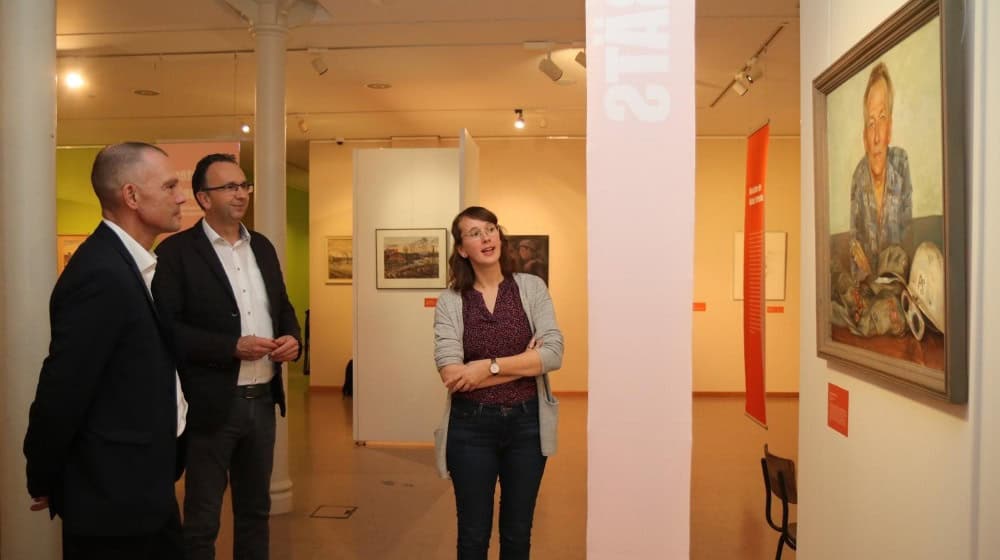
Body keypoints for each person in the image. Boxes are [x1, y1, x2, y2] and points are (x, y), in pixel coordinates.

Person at [23, 142, 188, 559]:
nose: (181, 197)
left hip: (143, 485)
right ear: (131, 196)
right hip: (113, 498)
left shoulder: (132, 264)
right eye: (169, 186)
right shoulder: (101, 273)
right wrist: (44, 473)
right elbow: (63, 389)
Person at [151, 153, 301, 560]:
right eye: (230, 187)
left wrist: (293, 338)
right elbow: (168, 329)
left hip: (263, 402)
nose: (241, 194)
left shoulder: (262, 247)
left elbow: (282, 306)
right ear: (203, 197)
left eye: (244, 185)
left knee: (255, 512)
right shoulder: (176, 253)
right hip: (212, 406)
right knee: (202, 520)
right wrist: (230, 346)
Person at [433, 206, 564, 560]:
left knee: (517, 533)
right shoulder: (451, 301)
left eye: (490, 228)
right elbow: (452, 374)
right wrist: (526, 363)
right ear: (462, 249)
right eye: (474, 233)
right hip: (470, 427)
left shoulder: (531, 287)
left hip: (527, 425)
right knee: (473, 536)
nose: (486, 237)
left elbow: (553, 354)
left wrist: (485, 369)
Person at [832, 62, 914, 337]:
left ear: (890, 127)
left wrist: (880, 272)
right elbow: (856, 251)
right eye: (870, 123)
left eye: (882, 119)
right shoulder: (858, 177)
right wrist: (865, 274)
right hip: (867, 288)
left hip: (896, 288)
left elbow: (905, 244)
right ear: (864, 136)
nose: (877, 135)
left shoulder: (901, 164)